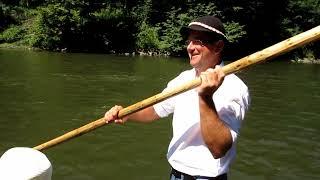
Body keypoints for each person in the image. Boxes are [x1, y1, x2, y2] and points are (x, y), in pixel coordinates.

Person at [104, 16, 250, 180]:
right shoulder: (182, 79)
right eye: (189, 42)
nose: (190, 47)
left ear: (218, 46)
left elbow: (219, 149)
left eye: (198, 41)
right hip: (176, 174)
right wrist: (127, 113)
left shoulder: (235, 87)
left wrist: (205, 97)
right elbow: (155, 110)